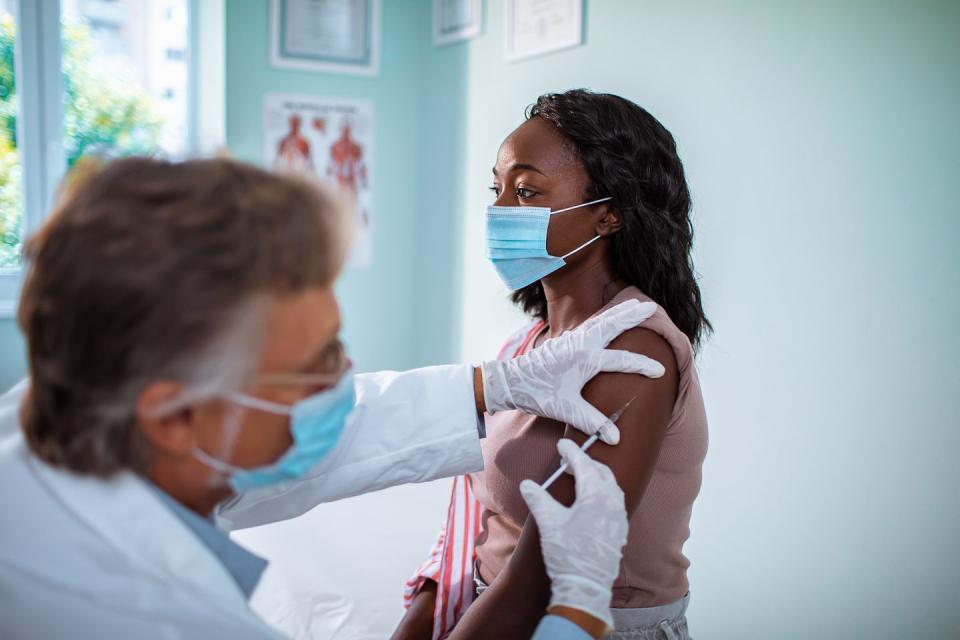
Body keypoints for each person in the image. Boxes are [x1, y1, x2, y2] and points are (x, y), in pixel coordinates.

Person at [0, 157, 664, 639]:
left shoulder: (69, 405)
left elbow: (326, 427)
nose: (346, 377)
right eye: (316, 363)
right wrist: (573, 612)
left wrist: (491, 384)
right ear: (175, 415)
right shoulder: (144, 616)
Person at [398, 89, 710, 639]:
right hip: (484, 608)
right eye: (496, 189)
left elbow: (539, 580)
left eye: (525, 191)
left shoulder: (633, 352)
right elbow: (478, 526)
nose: (498, 211)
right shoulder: (528, 346)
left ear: (609, 214)